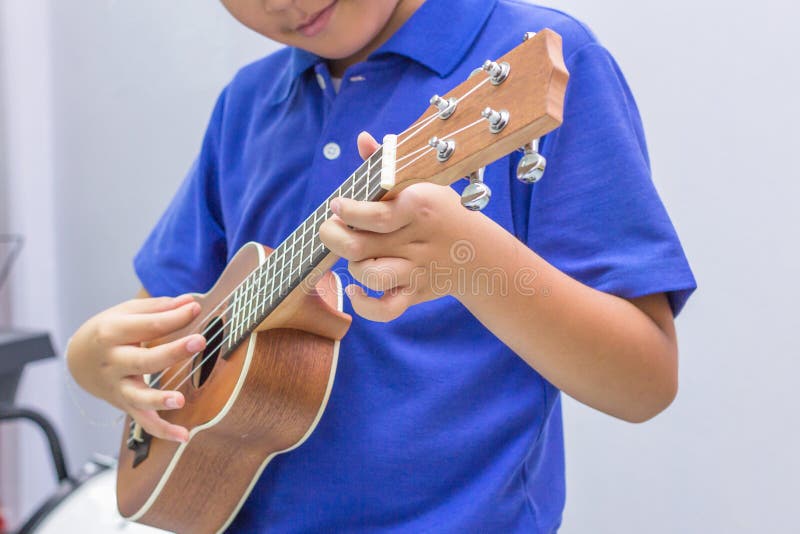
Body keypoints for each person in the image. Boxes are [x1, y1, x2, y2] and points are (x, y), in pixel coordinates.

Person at [67, 0, 697, 531]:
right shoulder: (247, 105)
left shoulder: (529, 53)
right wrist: (96, 362)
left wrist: (470, 262)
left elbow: (643, 382)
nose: (283, 2)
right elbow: (167, 333)